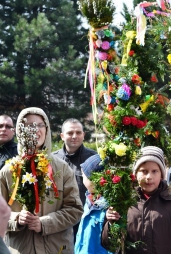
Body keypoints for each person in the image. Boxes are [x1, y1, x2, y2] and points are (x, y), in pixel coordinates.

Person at [0, 107, 83, 254]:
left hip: (57, 248)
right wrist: (16, 219)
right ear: (20, 130)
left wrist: (45, 223)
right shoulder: (8, 170)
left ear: (47, 129)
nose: (36, 130)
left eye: (40, 125)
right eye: (30, 125)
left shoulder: (62, 169)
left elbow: (75, 209)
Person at [102, 146, 171, 253]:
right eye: (144, 171)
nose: (149, 177)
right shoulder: (123, 203)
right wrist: (111, 224)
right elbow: (109, 244)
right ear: (135, 174)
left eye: (154, 171)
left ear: (162, 174)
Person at [52, 118, 96, 238]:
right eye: (70, 133)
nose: (74, 136)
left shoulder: (94, 159)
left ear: (84, 135)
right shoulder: (52, 159)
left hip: (85, 219)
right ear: (62, 136)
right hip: (59, 220)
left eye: (78, 132)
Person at [74, 154, 111, 254]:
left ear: (96, 181)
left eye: (84, 175)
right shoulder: (90, 199)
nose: (82, 177)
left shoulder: (108, 208)